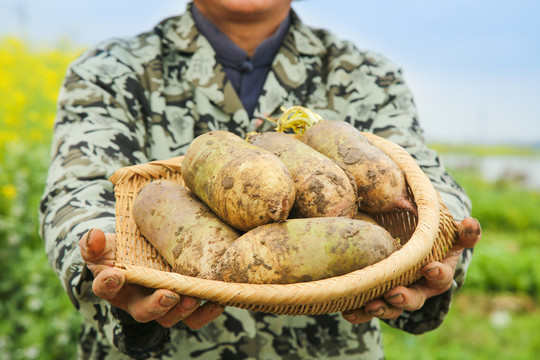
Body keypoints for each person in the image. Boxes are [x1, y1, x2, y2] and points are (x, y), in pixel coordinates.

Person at [39, 0, 482, 359]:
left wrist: (435, 252)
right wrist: (107, 262)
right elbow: (74, 196)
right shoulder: (109, 71)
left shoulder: (368, 74)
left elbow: (426, 182)